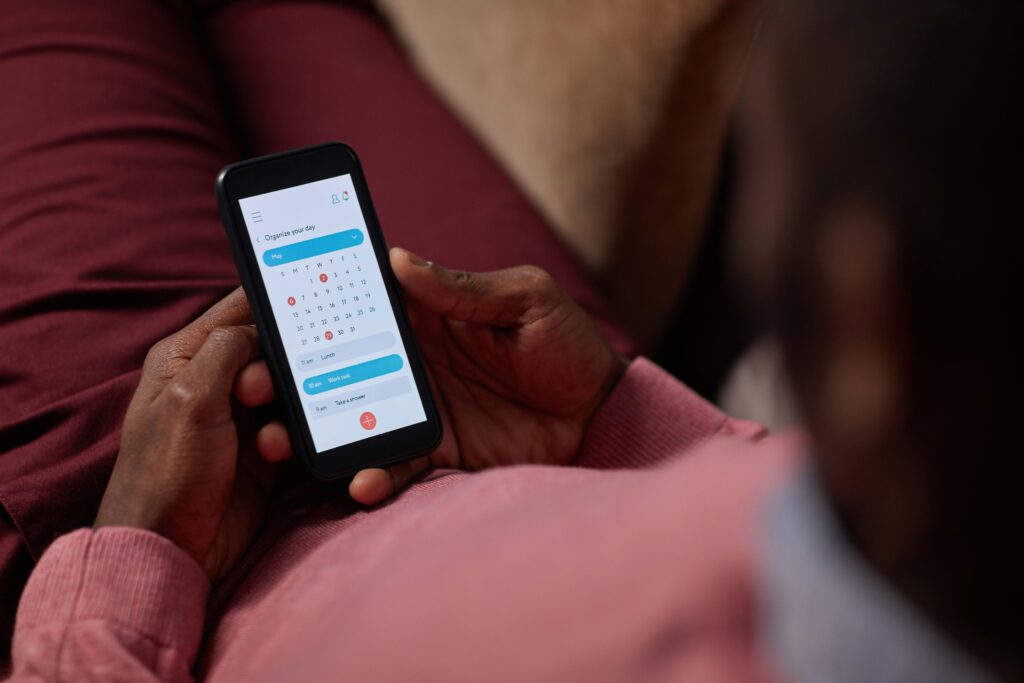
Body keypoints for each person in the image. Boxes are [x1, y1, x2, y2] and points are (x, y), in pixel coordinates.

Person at [4, 2, 1023, 683]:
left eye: (768, 155)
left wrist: (133, 562)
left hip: (177, 552)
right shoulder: (948, 493)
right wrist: (625, 419)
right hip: (535, 427)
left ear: (870, 330)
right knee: (296, 17)